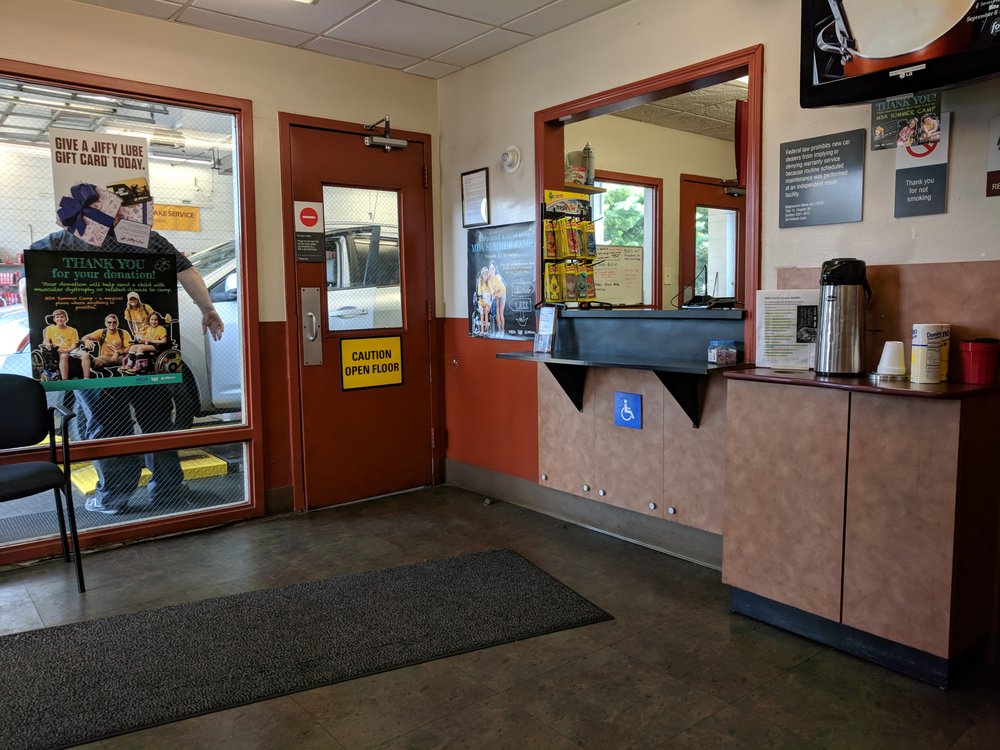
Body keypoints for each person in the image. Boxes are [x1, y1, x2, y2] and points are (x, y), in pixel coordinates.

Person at [30, 211, 224, 516]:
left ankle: (113, 497)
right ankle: (168, 491)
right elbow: (187, 271)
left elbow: (28, 281)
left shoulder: (58, 242)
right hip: (144, 367)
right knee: (157, 423)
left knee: (107, 427)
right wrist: (207, 309)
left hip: (107, 372)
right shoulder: (146, 240)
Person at [42, 308, 87, 380]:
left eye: (62, 317)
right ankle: (65, 380)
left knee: (85, 355)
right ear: (54, 319)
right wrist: (47, 344)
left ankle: (86, 378)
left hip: (71, 349)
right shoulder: (49, 329)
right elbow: (46, 340)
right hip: (58, 349)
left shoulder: (72, 330)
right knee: (63, 356)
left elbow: (74, 345)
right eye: (57, 317)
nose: (60, 319)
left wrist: (67, 350)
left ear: (66, 319)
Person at [487, 260, 507, 337]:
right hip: (496, 293)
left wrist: (494, 294)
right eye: (490, 269)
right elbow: (490, 289)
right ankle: (499, 330)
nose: (491, 270)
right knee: (497, 312)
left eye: (493, 269)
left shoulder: (498, 277)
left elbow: (501, 289)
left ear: (495, 269)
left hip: (502, 293)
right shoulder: (489, 279)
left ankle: (503, 331)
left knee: (501, 312)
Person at [475, 266, 492, 336]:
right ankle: (482, 330)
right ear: (482, 275)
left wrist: (489, 305)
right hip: (481, 301)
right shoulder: (480, 282)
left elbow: (491, 293)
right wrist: (483, 303)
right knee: (482, 313)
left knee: (486, 313)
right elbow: (479, 294)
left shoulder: (489, 282)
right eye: (484, 274)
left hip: (487, 302)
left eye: (487, 274)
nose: (486, 276)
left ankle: (486, 330)